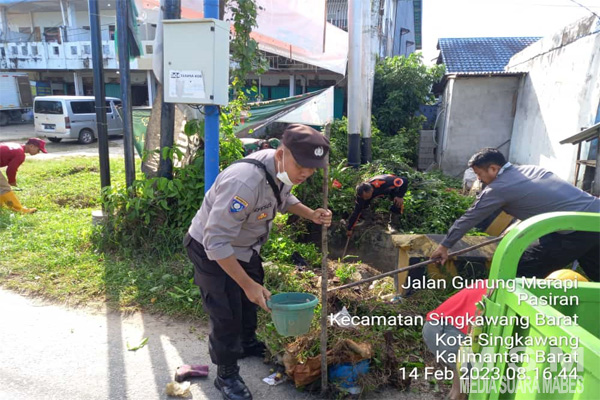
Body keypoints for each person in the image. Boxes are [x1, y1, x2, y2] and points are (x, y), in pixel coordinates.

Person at [184, 124, 331, 400]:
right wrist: (246, 284)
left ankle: (247, 343)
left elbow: (283, 197)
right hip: (210, 248)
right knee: (226, 310)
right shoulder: (244, 182)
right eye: (302, 166)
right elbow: (216, 242)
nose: (306, 174)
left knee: (251, 299)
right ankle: (226, 374)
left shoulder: (283, 170)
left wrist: (311, 214)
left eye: (312, 169)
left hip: (245, 248)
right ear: (281, 153)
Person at [430, 148, 600, 281]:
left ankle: (516, 311)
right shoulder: (532, 170)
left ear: (493, 169)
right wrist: (516, 224)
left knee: (522, 269)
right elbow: (539, 202)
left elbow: (470, 217)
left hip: (574, 230)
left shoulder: (498, 188)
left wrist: (444, 246)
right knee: (596, 269)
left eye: (478, 174)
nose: (479, 179)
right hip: (595, 220)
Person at [0, 138, 47, 213]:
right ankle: (19, 210)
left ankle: (1, 206)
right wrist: (12, 182)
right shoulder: (20, 154)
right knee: (5, 188)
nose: (38, 153)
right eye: (39, 150)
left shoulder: (16, 146)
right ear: (31, 146)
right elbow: (11, 169)